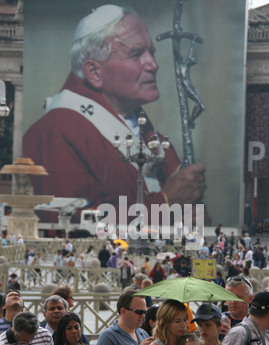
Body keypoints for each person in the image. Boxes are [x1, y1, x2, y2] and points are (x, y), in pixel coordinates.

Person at [23, 4, 208, 226]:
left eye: (152, 52)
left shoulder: (155, 141)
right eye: (136, 54)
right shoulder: (56, 132)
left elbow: (194, 220)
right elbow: (64, 222)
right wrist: (164, 203)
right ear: (94, 72)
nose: (154, 64)